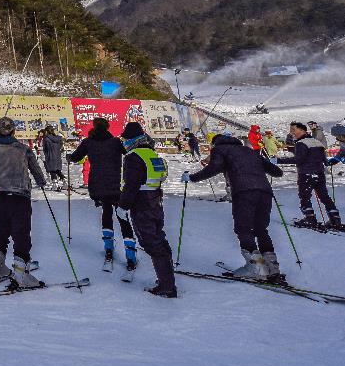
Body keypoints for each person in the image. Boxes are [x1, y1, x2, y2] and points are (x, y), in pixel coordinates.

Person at [187, 129, 285, 282]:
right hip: (265, 192)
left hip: (244, 191)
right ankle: (272, 268)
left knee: (244, 228)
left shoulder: (219, 149)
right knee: (260, 229)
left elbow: (214, 168)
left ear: (215, 143)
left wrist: (191, 178)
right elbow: (277, 172)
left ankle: (257, 268)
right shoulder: (249, 150)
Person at [0, 116, 46, 288]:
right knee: (21, 233)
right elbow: (37, 172)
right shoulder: (23, 149)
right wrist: (41, 182)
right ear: (14, 131)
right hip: (20, 196)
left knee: (0, 231)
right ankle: (20, 273)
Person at [67, 117, 137, 272]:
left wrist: (69, 158)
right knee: (122, 217)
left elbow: (75, 157)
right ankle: (131, 255)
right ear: (107, 127)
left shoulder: (88, 142)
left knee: (106, 213)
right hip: (115, 186)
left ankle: (109, 249)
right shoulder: (115, 142)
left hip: (97, 186)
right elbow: (130, 152)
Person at [116, 122, 176, 298]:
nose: (124, 142)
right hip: (156, 201)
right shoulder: (151, 153)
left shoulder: (133, 156)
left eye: (125, 139)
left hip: (142, 204)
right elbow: (160, 176)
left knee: (151, 242)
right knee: (159, 239)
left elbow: (131, 185)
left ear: (131, 139)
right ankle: (167, 279)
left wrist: (123, 206)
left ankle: (167, 286)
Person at [277, 122, 340, 229]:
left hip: (306, 174)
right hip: (320, 174)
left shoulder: (302, 143)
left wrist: (279, 161)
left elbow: (299, 159)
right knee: (324, 197)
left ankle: (310, 219)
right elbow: (324, 160)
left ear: (302, 131)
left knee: (304, 196)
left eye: (294, 130)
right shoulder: (316, 142)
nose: (292, 133)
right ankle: (335, 219)